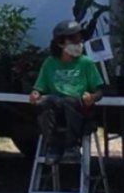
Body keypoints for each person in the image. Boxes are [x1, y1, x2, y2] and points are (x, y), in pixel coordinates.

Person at [29, 19, 106, 163]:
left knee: (70, 101)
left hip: (78, 108)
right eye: (73, 40)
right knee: (46, 102)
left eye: (79, 39)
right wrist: (35, 95)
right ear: (60, 43)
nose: (78, 43)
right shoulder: (50, 63)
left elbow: (100, 91)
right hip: (57, 107)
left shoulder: (86, 63)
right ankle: (53, 146)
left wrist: (92, 97)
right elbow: (38, 88)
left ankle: (72, 146)